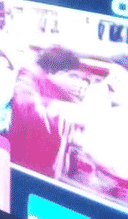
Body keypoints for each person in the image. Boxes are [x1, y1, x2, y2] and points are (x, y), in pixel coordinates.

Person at [9, 46, 90, 179]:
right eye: (73, 76)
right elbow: (26, 109)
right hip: (25, 170)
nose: (78, 83)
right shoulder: (27, 80)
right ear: (53, 73)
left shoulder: (58, 95)